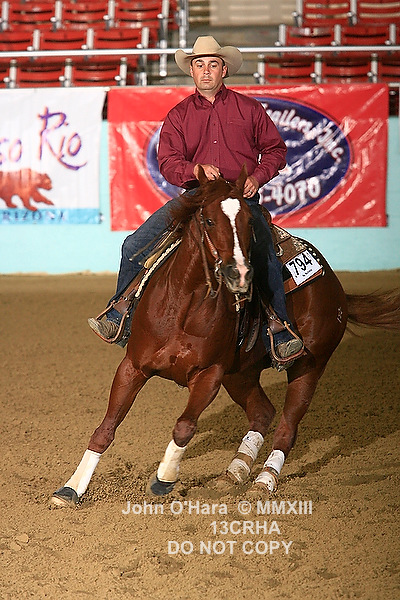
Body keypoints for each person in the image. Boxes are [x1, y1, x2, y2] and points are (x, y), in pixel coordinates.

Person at [88, 36, 303, 365]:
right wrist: (194, 169)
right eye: (199, 64)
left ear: (224, 70)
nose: (205, 70)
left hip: (238, 199)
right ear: (191, 71)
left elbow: (275, 151)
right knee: (134, 245)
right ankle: (120, 313)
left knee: (264, 254)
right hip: (197, 196)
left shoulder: (250, 109)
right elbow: (167, 161)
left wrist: (256, 178)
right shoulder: (179, 115)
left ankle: (279, 327)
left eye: (212, 64)